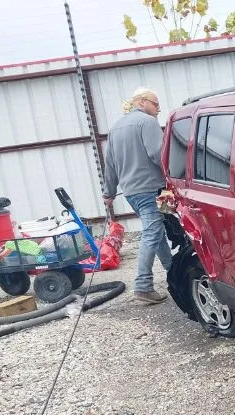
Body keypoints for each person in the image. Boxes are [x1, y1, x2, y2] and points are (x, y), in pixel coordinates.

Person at [103, 87, 172, 304]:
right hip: (151, 188)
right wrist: (172, 177)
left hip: (131, 192)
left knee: (158, 232)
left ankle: (174, 273)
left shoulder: (115, 128)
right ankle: (143, 285)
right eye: (155, 104)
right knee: (153, 232)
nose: (158, 109)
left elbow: (110, 164)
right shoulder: (147, 122)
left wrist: (109, 192)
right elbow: (158, 154)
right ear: (142, 102)